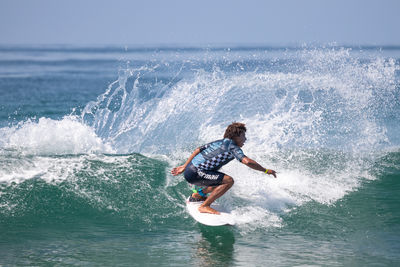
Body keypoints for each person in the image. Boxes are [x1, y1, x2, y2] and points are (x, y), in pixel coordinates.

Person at [171, 122, 277, 215]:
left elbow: (198, 150)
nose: (245, 139)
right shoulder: (233, 147)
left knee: (220, 181)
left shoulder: (219, 142)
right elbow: (247, 161)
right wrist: (266, 170)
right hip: (197, 172)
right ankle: (204, 206)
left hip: (192, 169)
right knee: (228, 181)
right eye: (243, 136)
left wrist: (185, 166)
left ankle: (199, 195)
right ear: (236, 136)